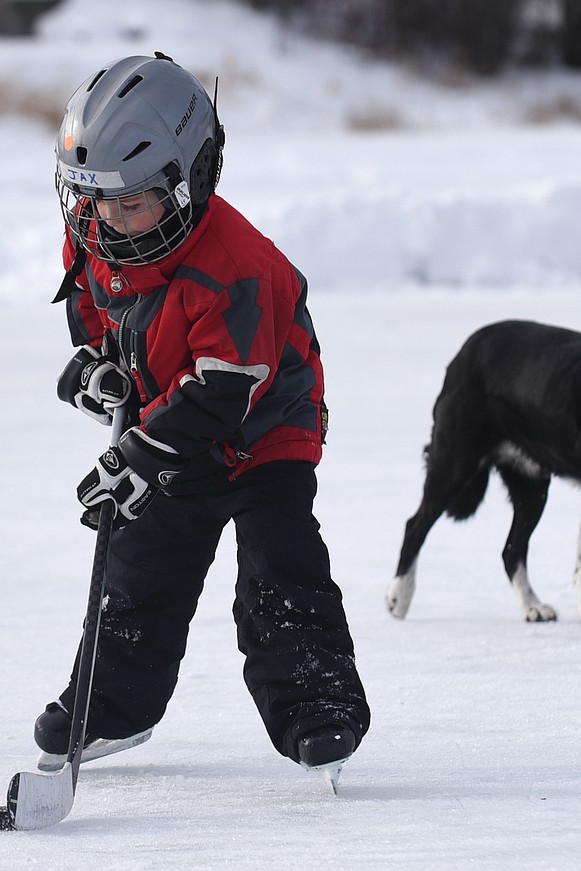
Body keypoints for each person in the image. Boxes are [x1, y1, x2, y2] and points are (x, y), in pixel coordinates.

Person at [36, 52, 370, 782]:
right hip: (171, 417)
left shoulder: (240, 266)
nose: (110, 221)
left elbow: (225, 392)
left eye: (132, 203)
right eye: (94, 201)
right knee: (143, 564)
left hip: (265, 429)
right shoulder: (95, 235)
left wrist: (141, 454)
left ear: (190, 182)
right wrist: (100, 366)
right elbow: (93, 308)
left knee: (277, 565)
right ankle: (115, 706)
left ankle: (320, 706)